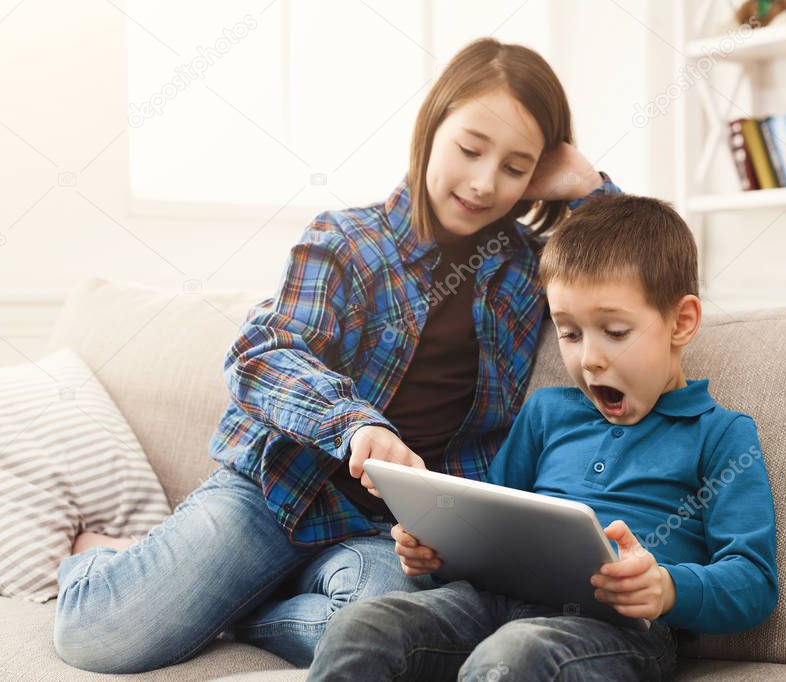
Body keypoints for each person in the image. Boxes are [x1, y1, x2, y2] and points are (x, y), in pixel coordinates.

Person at [52, 37, 622, 673]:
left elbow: (632, 281)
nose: (485, 182)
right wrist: (356, 423)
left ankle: (240, 607)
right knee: (99, 638)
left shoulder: (525, 268)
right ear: (432, 127)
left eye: (517, 167)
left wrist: (592, 188)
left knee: (398, 644)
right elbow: (261, 352)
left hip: (393, 536)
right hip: (275, 493)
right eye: (469, 150)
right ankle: (103, 556)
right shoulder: (345, 241)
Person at [307, 194, 779, 682]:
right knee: (360, 626)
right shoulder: (547, 413)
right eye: (570, 334)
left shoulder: (721, 434)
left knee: (514, 655)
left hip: (615, 629)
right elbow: (484, 528)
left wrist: (666, 587)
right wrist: (434, 552)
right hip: (490, 605)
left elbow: (754, 581)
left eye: (615, 331)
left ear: (680, 323)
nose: (589, 359)